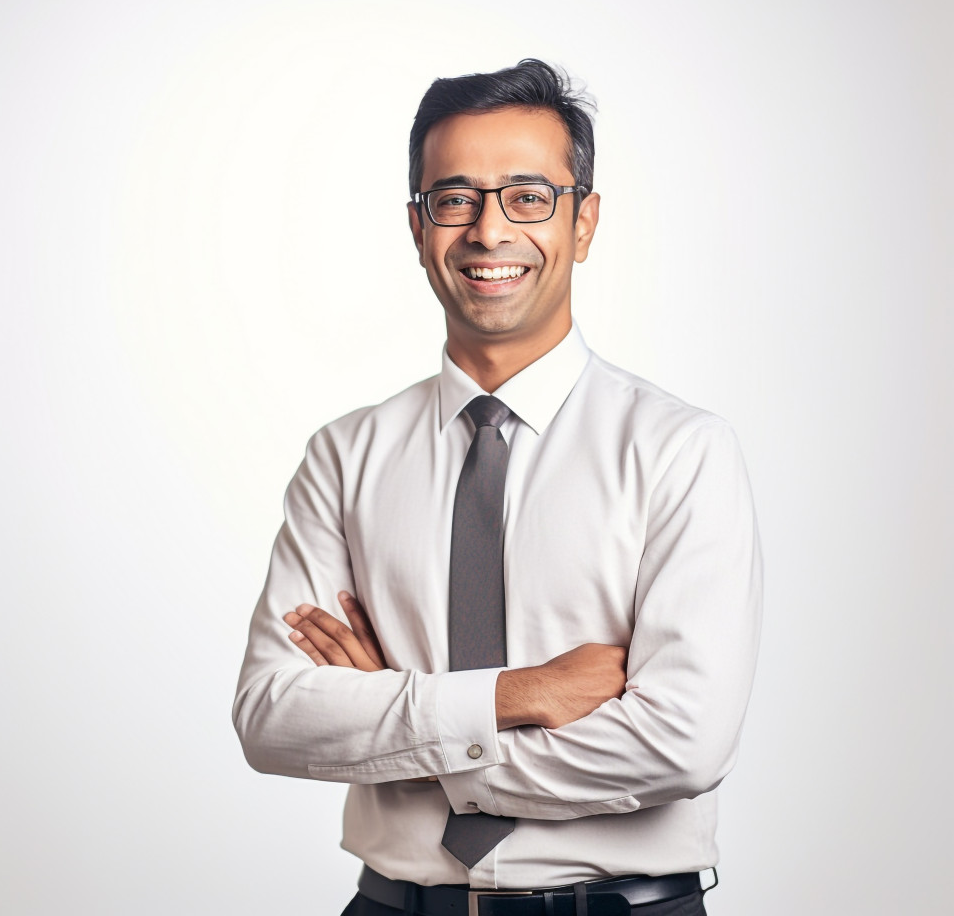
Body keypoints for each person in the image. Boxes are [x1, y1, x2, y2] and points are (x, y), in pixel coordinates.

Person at [234, 59, 762, 916]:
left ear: (583, 221)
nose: (488, 231)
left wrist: (401, 720)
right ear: (417, 225)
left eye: (528, 197)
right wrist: (523, 696)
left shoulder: (681, 452)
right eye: (455, 198)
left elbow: (682, 744)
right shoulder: (343, 456)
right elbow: (273, 715)